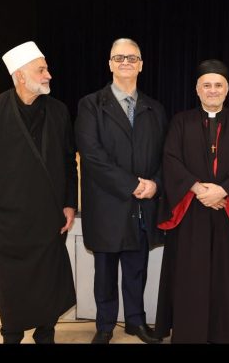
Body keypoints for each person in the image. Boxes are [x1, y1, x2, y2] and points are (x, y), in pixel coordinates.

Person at [154, 59, 229, 343]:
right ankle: (190, 333)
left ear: (227, 89)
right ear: (197, 90)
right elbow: (170, 159)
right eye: (207, 85)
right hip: (192, 210)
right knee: (192, 275)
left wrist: (222, 190)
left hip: (227, 209)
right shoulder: (180, 121)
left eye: (218, 85)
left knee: (228, 276)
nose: (213, 90)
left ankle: (228, 332)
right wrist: (200, 190)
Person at [0, 41, 77, 344]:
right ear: (20, 75)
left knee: (48, 280)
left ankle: (45, 332)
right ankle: (11, 334)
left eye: (46, 68)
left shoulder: (59, 111)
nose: (49, 75)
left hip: (48, 217)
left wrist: (70, 203)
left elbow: (69, 161)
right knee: (12, 283)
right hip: (7, 220)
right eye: (41, 70)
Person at [75, 38, 167, 344]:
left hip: (141, 206)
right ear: (110, 64)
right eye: (119, 57)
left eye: (132, 58)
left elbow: (165, 156)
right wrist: (133, 184)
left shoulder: (155, 108)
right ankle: (104, 326)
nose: (125, 62)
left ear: (141, 65)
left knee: (136, 269)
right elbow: (92, 155)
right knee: (104, 273)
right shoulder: (90, 105)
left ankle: (136, 322)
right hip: (107, 205)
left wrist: (155, 183)